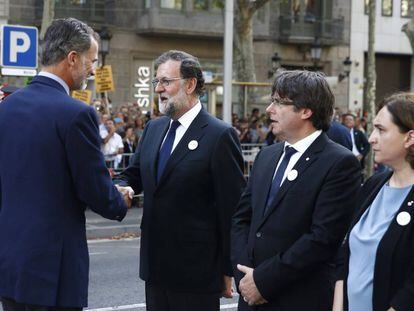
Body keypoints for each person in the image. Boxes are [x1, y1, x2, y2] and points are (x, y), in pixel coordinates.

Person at [0, 18, 130, 311]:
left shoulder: (6, 108)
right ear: (72, 58)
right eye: (91, 61)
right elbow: (94, 188)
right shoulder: (76, 114)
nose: (93, 69)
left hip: (10, 263)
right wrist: (120, 199)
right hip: (52, 272)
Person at [115, 50, 246, 311]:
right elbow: (133, 173)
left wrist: (227, 269)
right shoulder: (154, 128)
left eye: (166, 81)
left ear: (190, 84)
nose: (159, 89)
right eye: (156, 82)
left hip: (196, 273)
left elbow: (232, 209)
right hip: (154, 268)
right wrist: (123, 187)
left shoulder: (220, 135)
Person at [231, 70, 361, 311]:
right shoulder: (267, 156)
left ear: (306, 111)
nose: (269, 109)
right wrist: (244, 277)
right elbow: (242, 219)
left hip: (298, 298)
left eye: (279, 102)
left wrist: (264, 281)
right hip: (250, 296)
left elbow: (321, 239)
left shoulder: (339, 163)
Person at [333, 92, 414, 311]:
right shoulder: (373, 186)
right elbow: (344, 255)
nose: (371, 138)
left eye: (381, 130)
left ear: (409, 138)